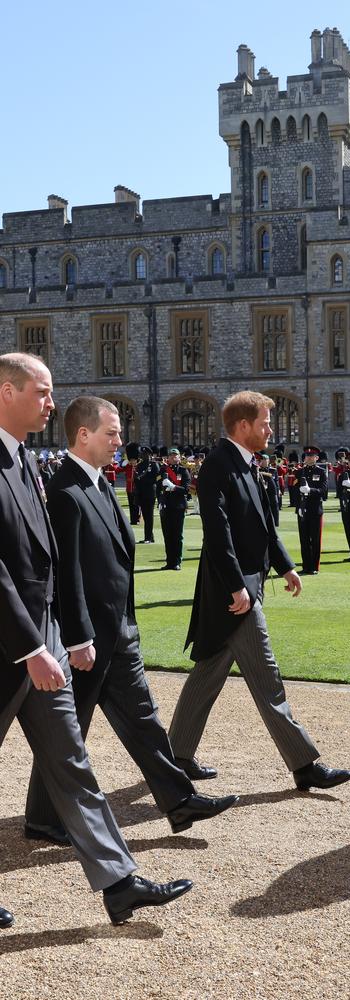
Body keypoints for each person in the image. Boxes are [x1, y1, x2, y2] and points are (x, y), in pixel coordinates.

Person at [0, 354, 192, 927]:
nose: (51, 403)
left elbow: (45, 560)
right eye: (43, 391)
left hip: (42, 640)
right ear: (6, 391)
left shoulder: (24, 459)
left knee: (72, 761)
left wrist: (59, 636)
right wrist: (31, 646)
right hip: (14, 644)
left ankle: (117, 881)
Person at [24, 395, 238, 843]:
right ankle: (44, 818)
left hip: (118, 631)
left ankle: (178, 801)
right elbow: (69, 575)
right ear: (83, 435)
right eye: (112, 433)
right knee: (67, 734)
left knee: (143, 719)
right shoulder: (65, 492)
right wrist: (79, 637)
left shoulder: (99, 483)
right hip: (88, 640)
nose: (120, 440)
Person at [168, 391, 350, 792]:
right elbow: (218, 533)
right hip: (233, 592)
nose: (271, 429)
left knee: (208, 674)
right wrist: (236, 587)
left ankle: (176, 757)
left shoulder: (246, 464)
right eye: (266, 422)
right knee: (268, 680)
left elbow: (264, 527)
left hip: (248, 586)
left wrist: (286, 566)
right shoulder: (219, 465)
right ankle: (304, 764)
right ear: (244, 425)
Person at [157, 447, 191, 570]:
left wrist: (173, 487)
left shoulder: (183, 471)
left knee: (177, 535)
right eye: (171, 456)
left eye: (175, 456)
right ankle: (169, 561)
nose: (173, 458)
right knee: (167, 535)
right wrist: (160, 501)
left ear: (179, 457)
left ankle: (177, 561)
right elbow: (158, 487)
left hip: (178, 506)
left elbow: (186, 490)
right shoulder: (163, 470)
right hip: (166, 506)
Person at [296, 446, 328, 574]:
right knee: (304, 539)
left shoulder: (321, 472)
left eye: (311, 456)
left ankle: (314, 566)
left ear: (316, 458)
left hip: (315, 509)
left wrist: (310, 490)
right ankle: (305, 566)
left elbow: (323, 491)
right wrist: (297, 506)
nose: (308, 458)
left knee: (315, 539)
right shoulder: (300, 472)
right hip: (302, 509)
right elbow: (294, 491)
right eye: (307, 456)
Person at [134, 446, 160, 543]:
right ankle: (149, 537)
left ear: (149, 454)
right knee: (145, 515)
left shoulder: (153, 465)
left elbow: (158, 478)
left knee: (149, 516)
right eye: (142, 454)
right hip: (141, 492)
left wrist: (147, 481)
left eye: (145, 454)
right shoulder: (140, 465)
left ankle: (148, 537)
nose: (143, 455)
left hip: (150, 492)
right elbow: (136, 479)